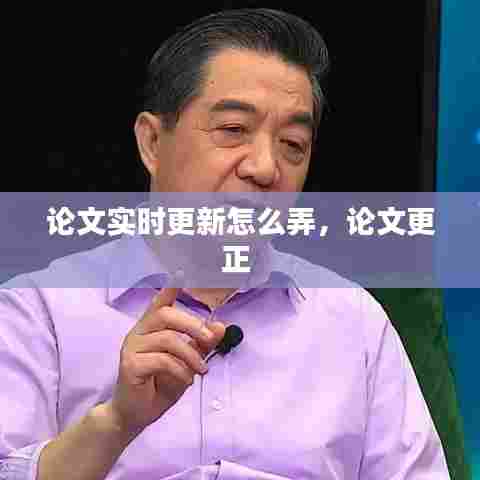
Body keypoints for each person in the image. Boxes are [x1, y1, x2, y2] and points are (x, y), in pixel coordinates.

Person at [0, 8, 452, 480]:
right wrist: (115, 424)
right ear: (152, 142)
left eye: (292, 144)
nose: (264, 168)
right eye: (234, 130)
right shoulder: (38, 312)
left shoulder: (354, 321)